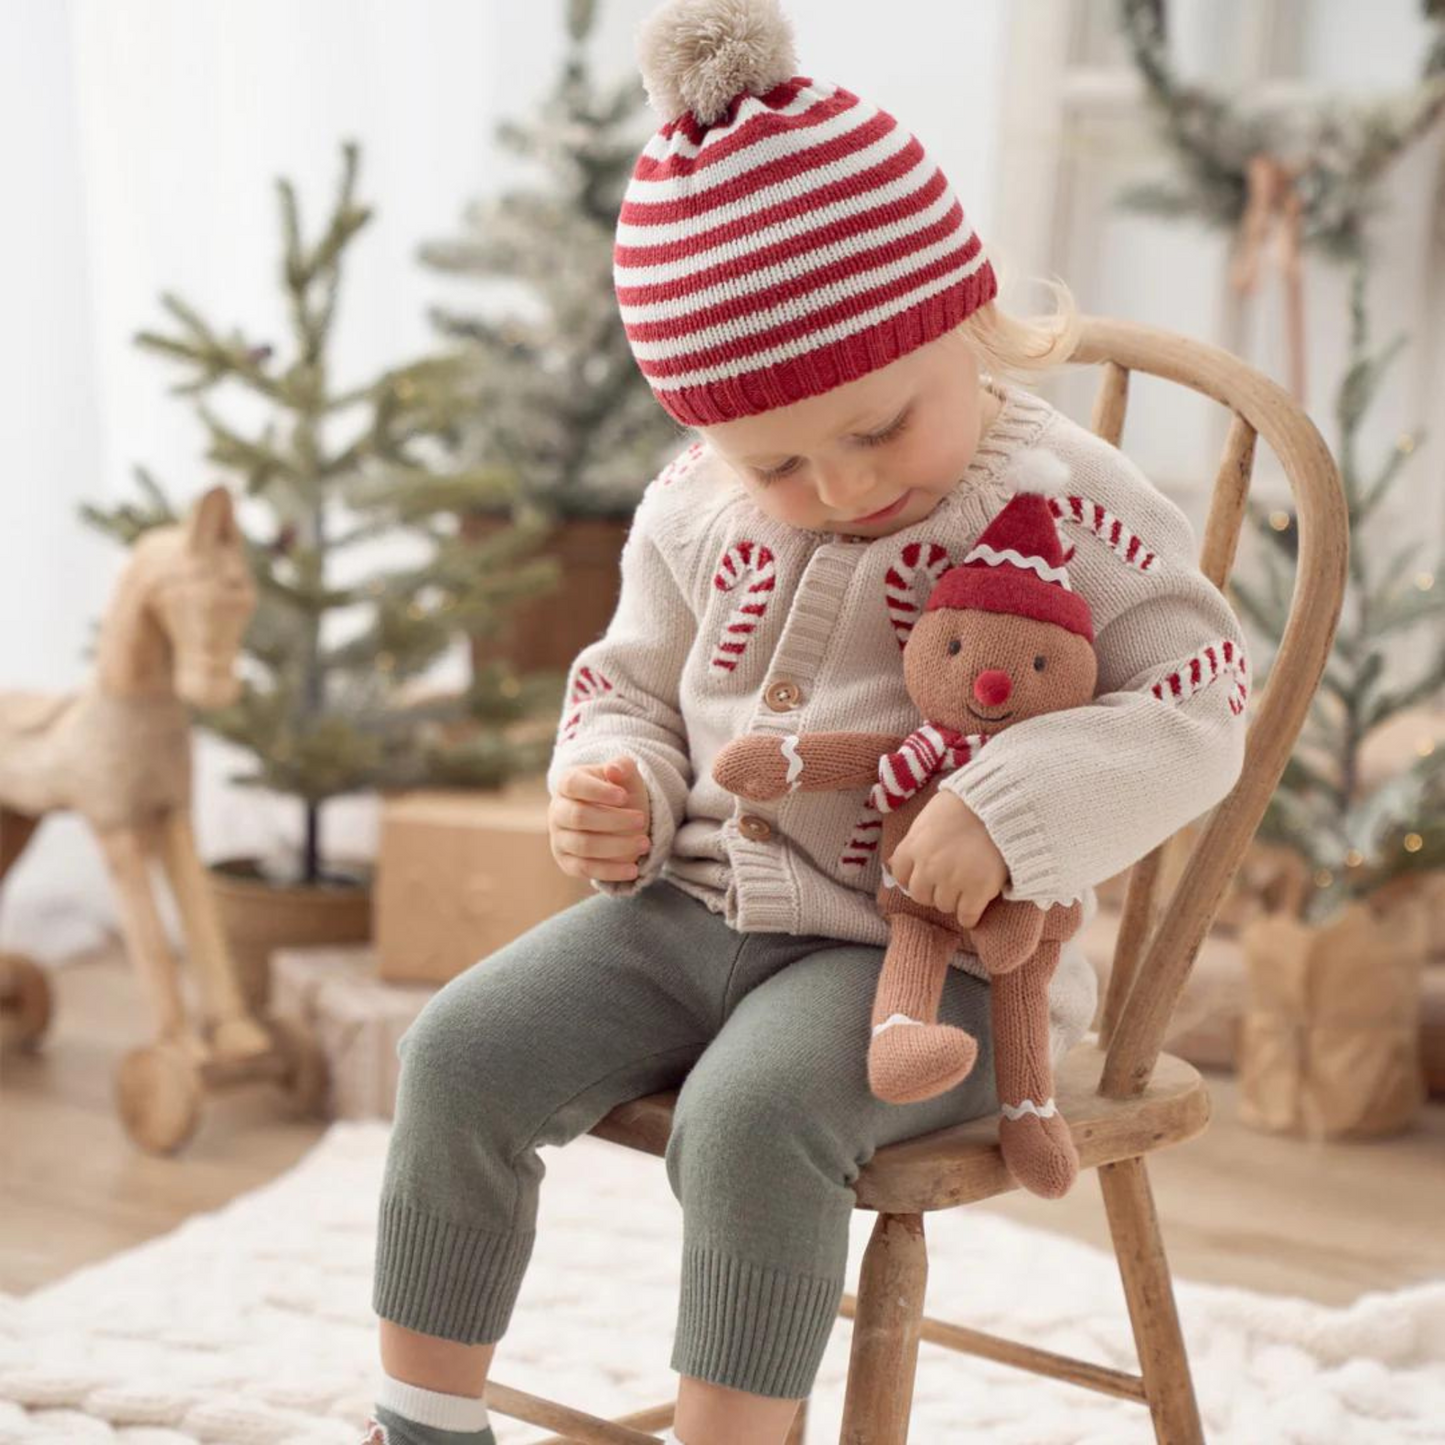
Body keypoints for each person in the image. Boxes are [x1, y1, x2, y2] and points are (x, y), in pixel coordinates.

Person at [363, 1, 1249, 1441]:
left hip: (922, 968)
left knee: (754, 1120)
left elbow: (1202, 697)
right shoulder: (694, 507)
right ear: (708, 437)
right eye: (775, 458)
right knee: (456, 1053)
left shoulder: (1066, 497)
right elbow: (629, 683)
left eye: (880, 428)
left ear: (964, 326)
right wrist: (613, 777)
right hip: (689, 910)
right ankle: (417, 1419)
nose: (840, 486)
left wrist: (1009, 811)